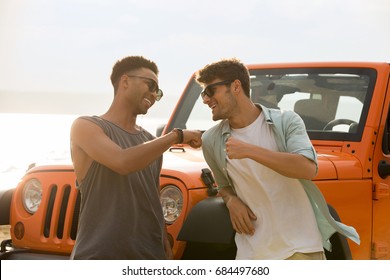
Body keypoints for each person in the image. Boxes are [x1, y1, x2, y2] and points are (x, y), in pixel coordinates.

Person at [196, 58, 360, 260]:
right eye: (203, 93)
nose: (205, 99)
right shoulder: (211, 139)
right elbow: (223, 185)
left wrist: (250, 151)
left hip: (300, 249)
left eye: (210, 91)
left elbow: (307, 168)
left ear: (236, 86)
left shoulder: (287, 121)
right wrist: (231, 201)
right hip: (250, 253)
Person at [69, 56, 202, 260]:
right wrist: (177, 136)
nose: (153, 94)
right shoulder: (86, 126)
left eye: (157, 92)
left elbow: (151, 197)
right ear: (125, 81)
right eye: (150, 85)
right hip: (100, 256)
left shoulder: (149, 141)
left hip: (149, 256)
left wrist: (164, 243)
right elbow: (123, 162)